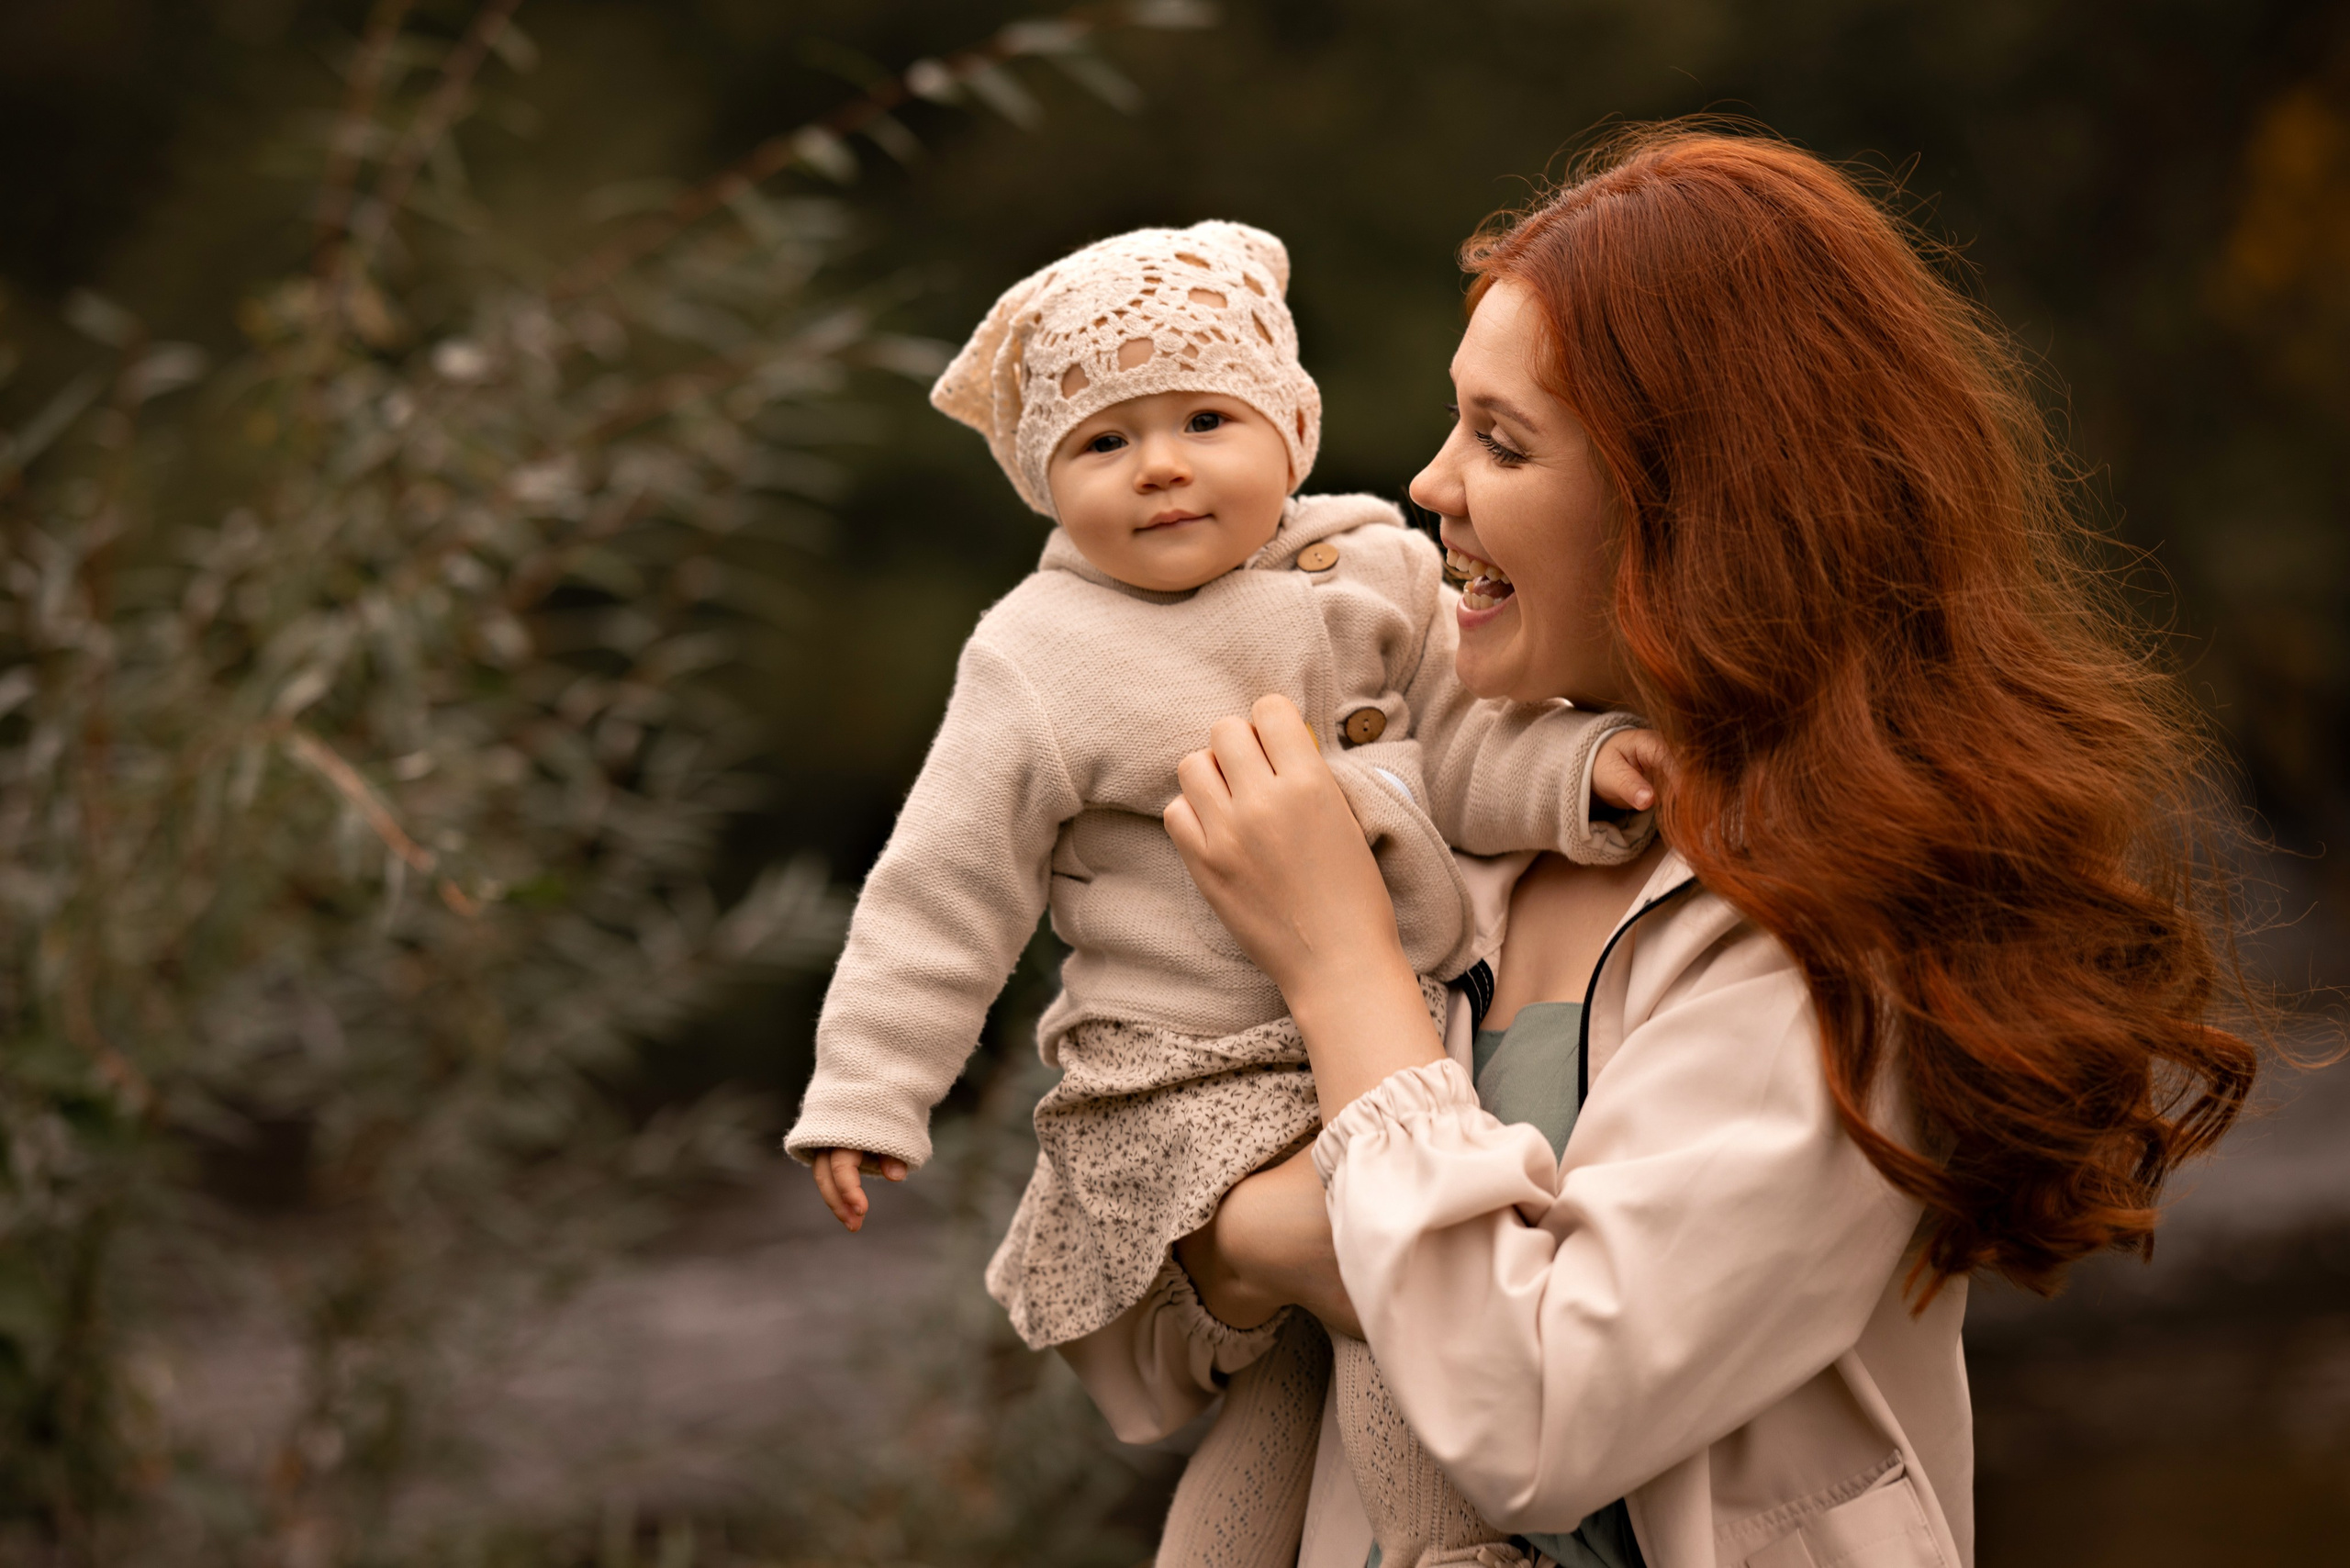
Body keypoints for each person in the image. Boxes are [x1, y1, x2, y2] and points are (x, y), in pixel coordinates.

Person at [1080, 128, 2259, 1568]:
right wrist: (1269, 1245)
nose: (1431, 484)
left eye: (1504, 442)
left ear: (1702, 507)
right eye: (1456, 425)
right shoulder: (1455, 829)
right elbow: (1121, 1331)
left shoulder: (1837, 930)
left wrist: (1336, 981)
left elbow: (1532, 1419)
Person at [782, 219, 1666, 1567]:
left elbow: (1469, 750)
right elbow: (943, 888)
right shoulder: (1039, 655)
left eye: (1205, 417)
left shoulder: (1380, 568)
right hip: (1184, 1067)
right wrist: (867, 1088)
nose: (1162, 468)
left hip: (1380, 1036)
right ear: (1041, 480)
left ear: (1293, 431)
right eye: (1102, 443)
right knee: (1378, 1293)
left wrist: (1580, 767)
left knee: (1286, 1398)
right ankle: (1457, 1551)